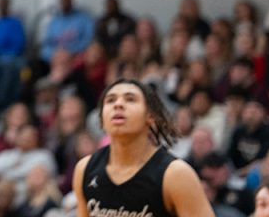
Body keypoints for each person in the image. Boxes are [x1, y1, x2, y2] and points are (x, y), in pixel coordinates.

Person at [71, 79, 214, 217]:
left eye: (130, 99)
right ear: (101, 119)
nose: (118, 104)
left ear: (150, 117)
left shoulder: (175, 174)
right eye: (110, 100)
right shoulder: (84, 169)